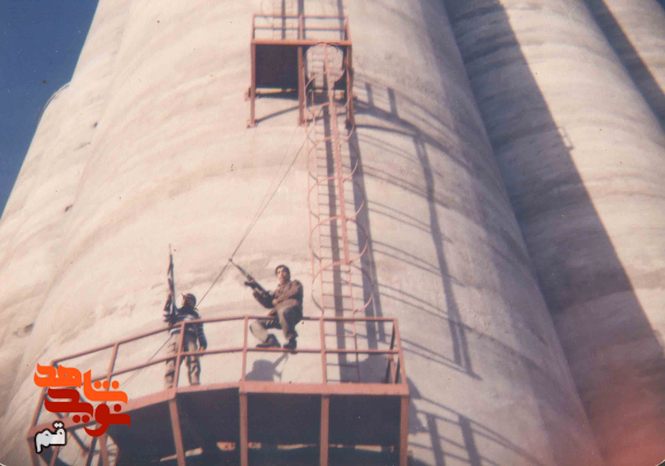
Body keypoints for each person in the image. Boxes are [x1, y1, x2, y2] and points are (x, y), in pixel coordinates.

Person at [247, 264, 303, 351]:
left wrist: (278, 300)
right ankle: (270, 340)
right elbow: (268, 304)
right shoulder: (277, 291)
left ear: (288, 274)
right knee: (254, 325)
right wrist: (255, 289)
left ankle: (292, 341)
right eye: (278, 272)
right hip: (278, 316)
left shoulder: (295, 283)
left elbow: (294, 292)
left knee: (283, 311)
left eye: (283, 271)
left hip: (292, 313)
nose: (281, 274)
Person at [163, 292, 207, 388]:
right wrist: (168, 301)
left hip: (190, 337)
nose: (185, 301)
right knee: (172, 361)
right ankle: (169, 386)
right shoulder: (176, 312)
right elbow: (166, 317)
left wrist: (203, 344)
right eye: (184, 299)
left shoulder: (195, 316)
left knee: (193, 360)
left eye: (188, 299)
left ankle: (194, 384)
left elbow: (200, 331)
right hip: (176, 336)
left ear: (193, 303)